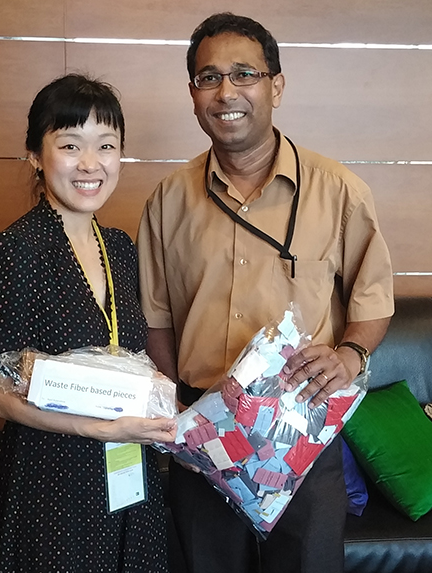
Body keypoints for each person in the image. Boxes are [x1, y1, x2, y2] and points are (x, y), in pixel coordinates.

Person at [137, 12, 394, 573]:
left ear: (276, 86)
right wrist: (180, 418)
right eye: (208, 78)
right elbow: (157, 320)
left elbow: (372, 300)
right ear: (193, 94)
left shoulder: (339, 191)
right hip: (204, 433)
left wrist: (350, 355)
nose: (226, 92)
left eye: (244, 74)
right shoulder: (167, 201)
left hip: (301, 428)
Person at [0, 74, 177, 573]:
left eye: (106, 145)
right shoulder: (13, 251)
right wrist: (99, 427)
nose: (90, 164)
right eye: (70, 145)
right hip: (52, 482)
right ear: (36, 156)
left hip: (130, 473)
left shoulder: (120, 248)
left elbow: (129, 361)